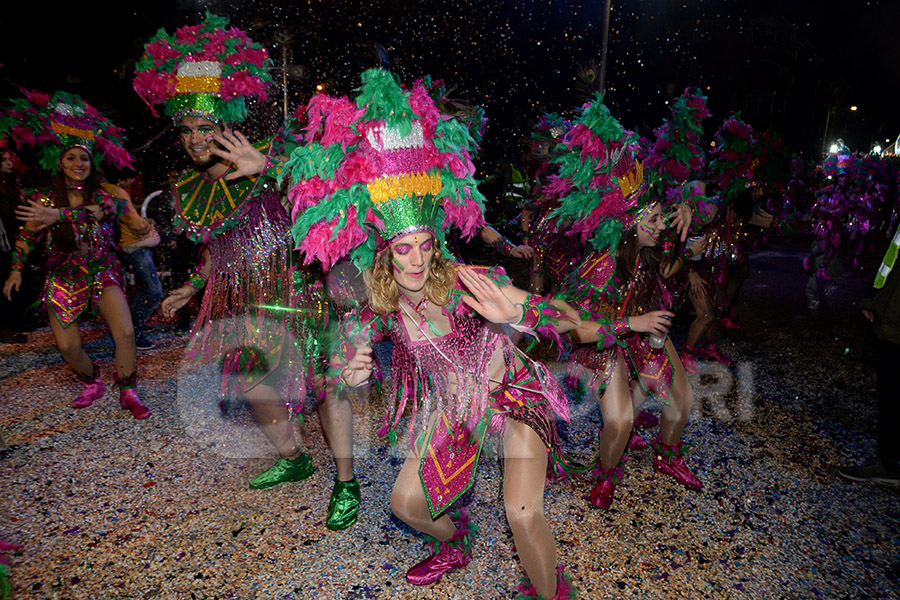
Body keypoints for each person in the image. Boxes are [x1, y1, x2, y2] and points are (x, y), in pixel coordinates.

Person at [287, 68, 579, 599]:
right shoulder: (380, 305)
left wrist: (518, 318)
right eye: (404, 248)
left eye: (426, 244)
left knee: (521, 511)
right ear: (384, 254)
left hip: (511, 397)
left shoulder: (471, 281)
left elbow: (566, 316)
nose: (418, 259)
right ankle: (456, 538)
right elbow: (352, 348)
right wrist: (353, 365)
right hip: (453, 408)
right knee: (407, 506)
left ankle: (549, 590)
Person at [134, 14, 328, 493]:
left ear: (226, 123)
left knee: (323, 384)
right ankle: (294, 457)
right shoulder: (187, 188)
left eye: (205, 126)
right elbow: (216, 251)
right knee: (251, 381)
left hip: (294, 287)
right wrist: (191, 286)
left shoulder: (266, 155)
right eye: (186, 130)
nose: (196, 138)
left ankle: (348, 474)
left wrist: (269, 167)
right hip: (241, 296)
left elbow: (322, 200)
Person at [544, 94, 701, 510]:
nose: (661, 224)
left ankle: (668, 455)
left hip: (648, 326)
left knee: (682, 398)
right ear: (628, 228)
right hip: (607, 336)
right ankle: (605, 473)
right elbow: (574, 327)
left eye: (660, 216)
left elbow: (698, 197)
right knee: (619, 420)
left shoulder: (652, 245)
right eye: (652, 220)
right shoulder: (601, 267)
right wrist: (633, 324)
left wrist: (686, 206)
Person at [0, 90, 150, 418]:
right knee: (68, 346)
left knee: (124, 331)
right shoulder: (44, 198)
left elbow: (99, 212)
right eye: (71, 158)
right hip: (62, 276)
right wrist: (15, 269)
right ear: (59, 161)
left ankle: (128, 390)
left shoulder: (106, 194)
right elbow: (26, 235)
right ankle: (93, 380)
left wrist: (61, 217)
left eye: (83, 158)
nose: (78, 164)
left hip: (102, 270)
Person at [837, 221, 900, 486]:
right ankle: (889, 461)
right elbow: (891, 259)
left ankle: (890, 464)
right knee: (890, 392)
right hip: (891, 319)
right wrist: (874, 297)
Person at [115, 168, 162, 350]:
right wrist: (147, 226)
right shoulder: (117, 192)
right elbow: (135, 223)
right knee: (153, 289)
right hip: (134, 245)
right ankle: (134, 331)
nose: (133, 182)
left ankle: (135, 325)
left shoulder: (111, 191)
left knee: (142, 288)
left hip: (126, 245)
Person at [0, 147, 28, 344]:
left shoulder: (10, 183)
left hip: (10, 238)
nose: (10, 164)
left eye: (10, 160)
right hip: (4, 237)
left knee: (12, 276)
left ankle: (15, 319)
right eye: (4, 160)